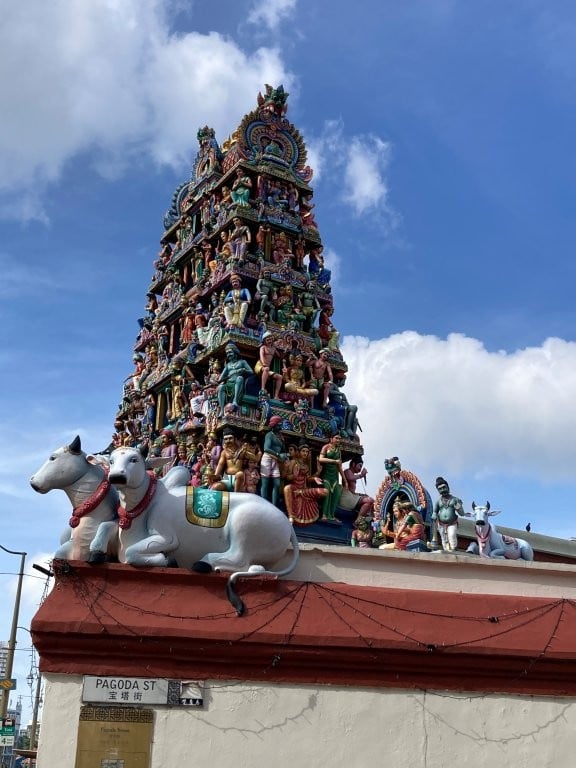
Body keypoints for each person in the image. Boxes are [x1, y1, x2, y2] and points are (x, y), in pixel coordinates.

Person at [283, 442, 327, 526]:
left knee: (324, 491)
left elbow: (308, 479)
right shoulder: (293, 462)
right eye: (303, 451)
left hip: (304, 491)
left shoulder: (306, 466)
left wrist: (316, 474)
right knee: (287, 488)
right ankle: (291, 516)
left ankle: (302, 494)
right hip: (294, 489)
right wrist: (294, 475)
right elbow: (286, 477)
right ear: (299, 452)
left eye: (307, 452)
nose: (305, 453)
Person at [317, 433, 347, 522]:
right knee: (327, 494)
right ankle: (324, 515)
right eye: (336, 438)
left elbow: (340, 467)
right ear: (331, 438)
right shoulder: (326, 447)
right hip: (326, 476)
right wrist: (334, 461)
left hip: (335, 477)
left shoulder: (339, 451)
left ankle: (332, 516)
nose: (338, 440)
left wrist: (345, 480)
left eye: (339, 438)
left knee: (336, 495)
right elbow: (321, 459)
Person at [217, 342, 253, 416]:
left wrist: (244, 370)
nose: (228, 354)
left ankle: (235, 400)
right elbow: (221, 378)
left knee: (239, 378)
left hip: (238, 384)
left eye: (230, 352)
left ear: (235, 352)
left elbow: (251, 372)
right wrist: (218, 381)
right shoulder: (228, 365)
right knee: (220, 387)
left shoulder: (242, 362)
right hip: (229, 384)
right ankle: (222, 409)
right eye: (227, 353)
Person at [259, 415, 287, 507]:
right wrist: (278, 455)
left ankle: (274, 506)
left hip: (276, 460)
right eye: (279, 424)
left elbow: (283, 450)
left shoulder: (280, 436)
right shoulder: (269, 435)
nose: (281, 426)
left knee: (277, 483)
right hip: (267, 458)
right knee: (265, 483)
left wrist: (284, 455)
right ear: (274, 425)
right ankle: (263, 505)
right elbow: (266, 449)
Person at [432, 477, 464, 551]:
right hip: (441, 523)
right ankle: (446, 552)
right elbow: (435, 511)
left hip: (452, 523)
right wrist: (434, 514)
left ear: (448, 487)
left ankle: (454, 550)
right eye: (440, 489)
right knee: (443, 539)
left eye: (444, 487)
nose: (442, 490)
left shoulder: (455, 499)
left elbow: (462, 513)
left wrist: (458, 508)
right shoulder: (438, 501)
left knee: (452, 535)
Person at [257, 331, 283, 399]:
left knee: (279, 377)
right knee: (266, 369)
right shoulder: (263, 347)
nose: (269, 341)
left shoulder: (273, 349)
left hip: (267, 368)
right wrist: (263, 364)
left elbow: (279, 356)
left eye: (271, 339)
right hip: (260, 366)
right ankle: (262, 388)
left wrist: (283, 348)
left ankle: (276, 396)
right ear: (264, 341)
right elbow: (261, 356)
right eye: (267, 340)